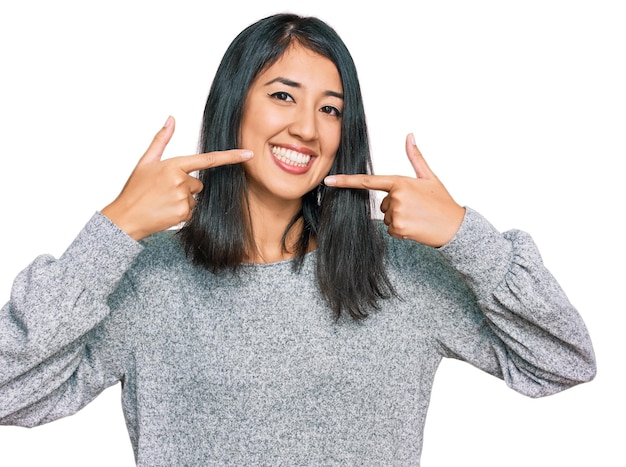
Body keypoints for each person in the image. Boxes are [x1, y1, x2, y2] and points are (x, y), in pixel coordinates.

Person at [0, 12, 595, 466]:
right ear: (234, 108)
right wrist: (115, 229)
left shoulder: (399, 269)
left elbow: (562, 360)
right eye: (282, 95)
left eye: (331, 109)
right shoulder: (150, 278)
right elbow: (9, 392)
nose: (307, 128)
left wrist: (468, 236)